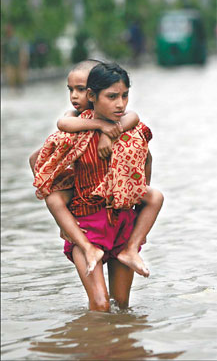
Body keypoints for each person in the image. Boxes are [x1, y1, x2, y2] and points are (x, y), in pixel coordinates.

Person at [32, 62, 163, 311]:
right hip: (87, 227)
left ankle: (119, 346)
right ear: (94, 96)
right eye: (112, 96)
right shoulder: (72, 134)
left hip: (121, 224)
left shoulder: (130, 129)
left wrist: (133, 198)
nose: (120, 103)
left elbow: (146, 159)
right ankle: (94, 347)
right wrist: (64, 217)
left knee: (122, 306)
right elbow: (39, 162)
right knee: (101, 305)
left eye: (123, 96)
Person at [30, 59, 142, 274]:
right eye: (71, 90)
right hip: (86, 212)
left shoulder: (124, 122)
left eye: (80, 89)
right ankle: (71, 231)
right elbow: (60, 128)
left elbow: (143, 155)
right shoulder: (74, 123)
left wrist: (110, 133)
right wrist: (101, 127)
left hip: (119, 220)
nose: (75, 96)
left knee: (122, 306)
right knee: (99, 304)